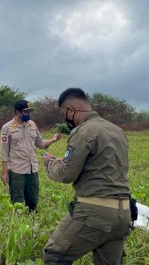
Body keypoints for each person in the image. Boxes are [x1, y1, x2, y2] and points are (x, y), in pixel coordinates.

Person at [42, 88, 131, 265]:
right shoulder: (116, 130)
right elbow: (100, 164)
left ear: (71, 110)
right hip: (124, 214)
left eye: (63, 114)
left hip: (95, 211)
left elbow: (66, 174)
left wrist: (50, 162)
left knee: (54, 255)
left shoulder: (83, 131)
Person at [0, 100, 62, 212]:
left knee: (33, 200)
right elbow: (4, 152)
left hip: (33, 169)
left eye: (30, 112)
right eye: (25, 112)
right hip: (17, 170)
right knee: (17, 201)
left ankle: (32, 221)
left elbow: (40, 143)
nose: (28, 114)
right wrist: (4, 172)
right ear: (18, 112)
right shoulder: (7, 128)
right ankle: (18, 223)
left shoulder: (32, 125)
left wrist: (53, 140)